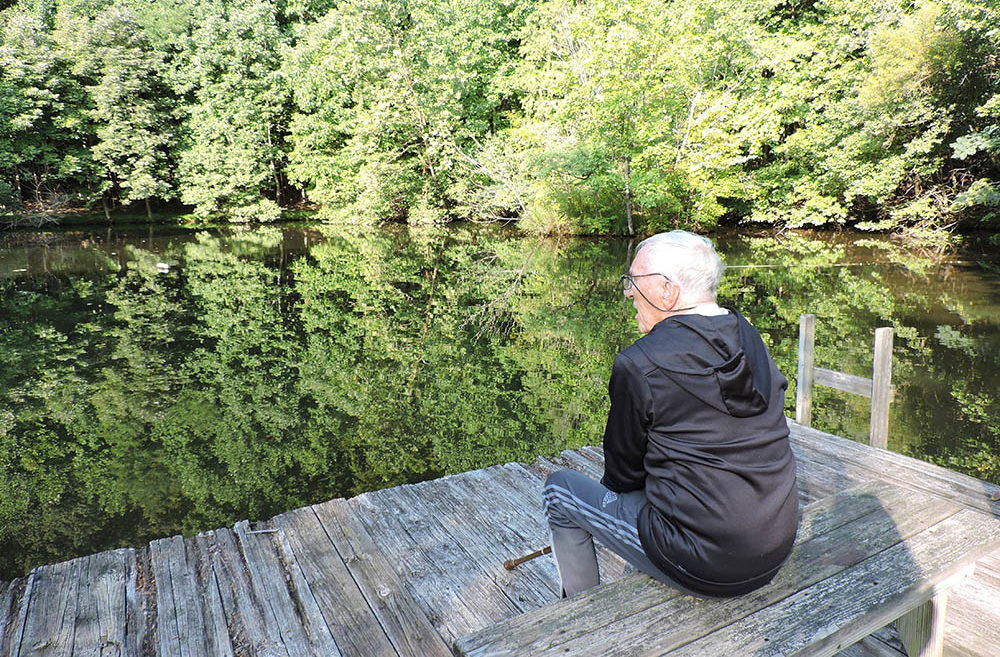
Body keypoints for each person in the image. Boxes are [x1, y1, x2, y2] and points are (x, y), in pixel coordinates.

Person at [542, 230, 799, 598]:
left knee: (559, 490)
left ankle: (581, 615)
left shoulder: (640, 362)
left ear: (667, 290)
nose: (629, 291)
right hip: (774, 547)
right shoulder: (749, 334)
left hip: (709, 568)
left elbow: (622, 476)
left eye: (634, 281)